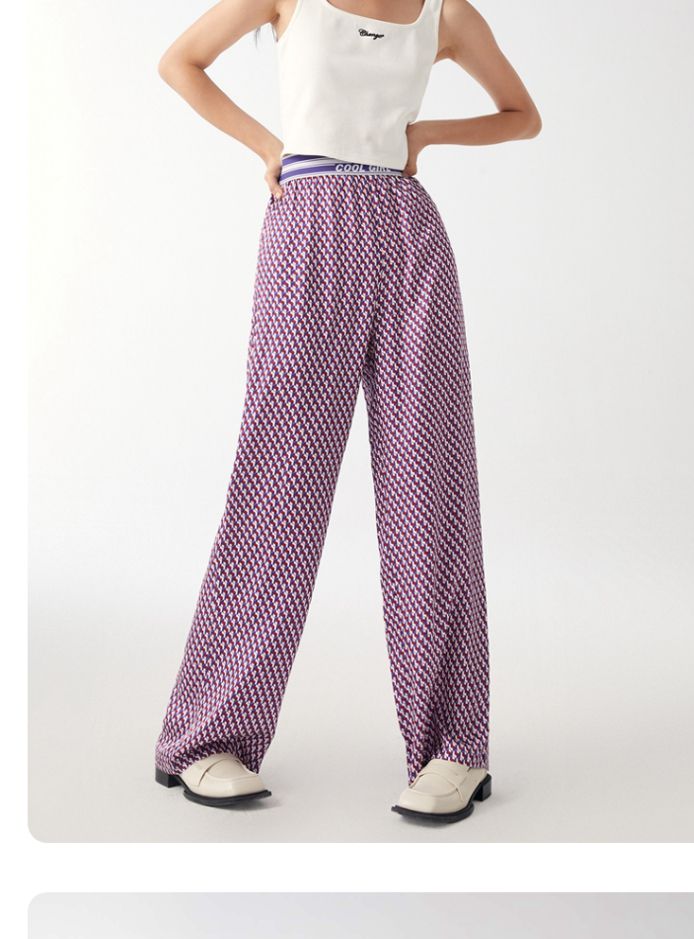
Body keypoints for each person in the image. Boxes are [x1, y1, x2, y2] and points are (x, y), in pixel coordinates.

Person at [153, 0, 541, 824]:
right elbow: (180, 61)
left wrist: (427, 135)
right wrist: (268, 147)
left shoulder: (447, 13)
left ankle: (454, 748)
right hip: (308, 224)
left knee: (430, 488)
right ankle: (208, 734)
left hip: (409, 236)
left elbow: (522, 116)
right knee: (280, 484)